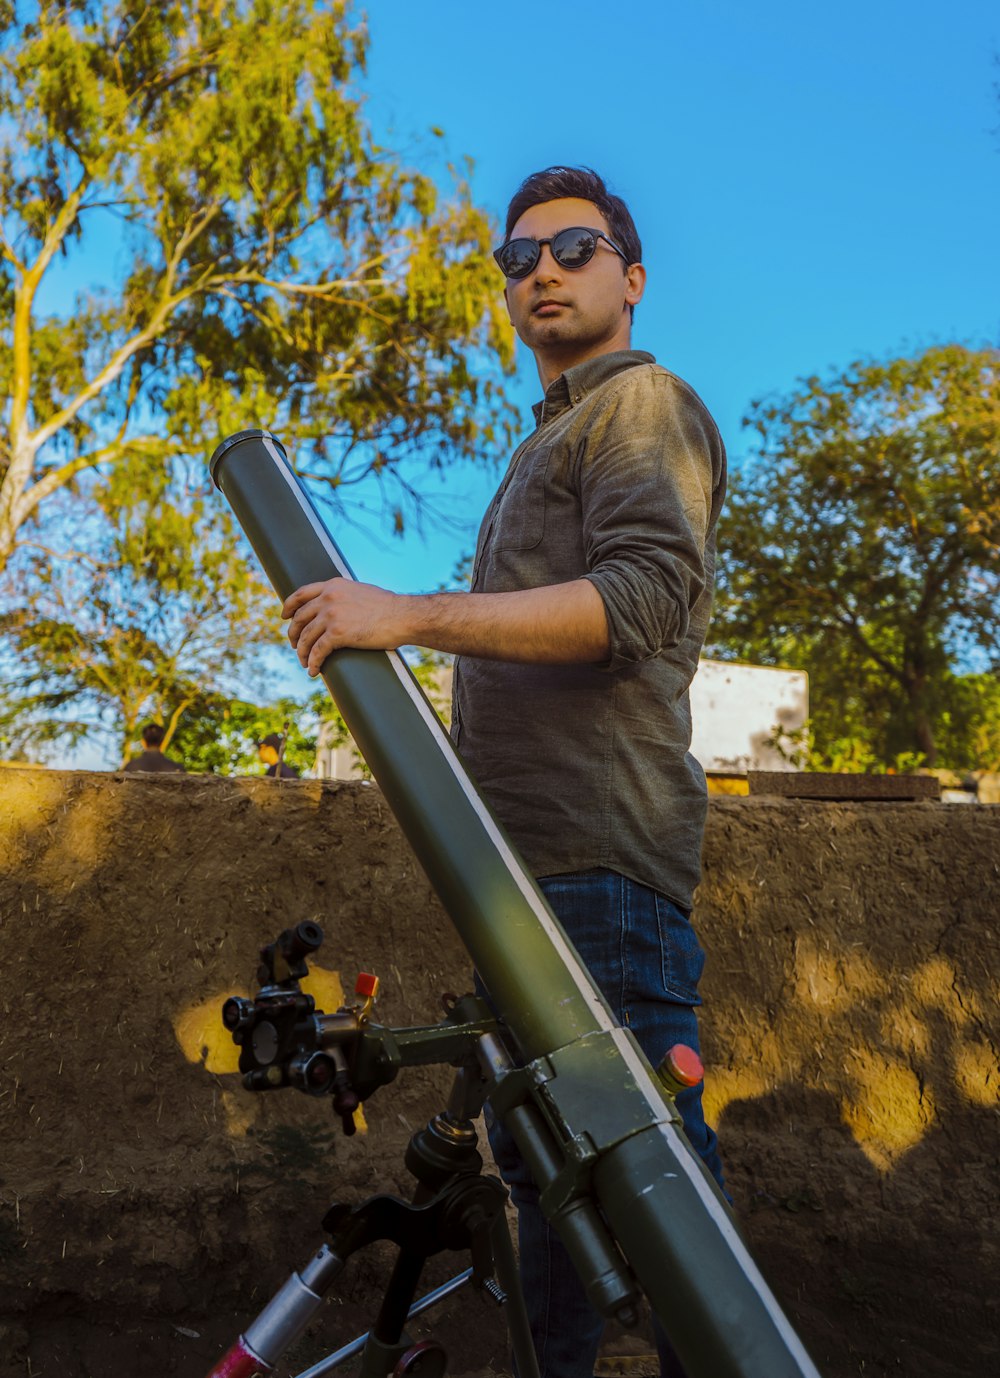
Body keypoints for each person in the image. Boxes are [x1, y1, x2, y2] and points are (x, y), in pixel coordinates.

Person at [282, 166, 727, 1378]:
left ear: (630, 278)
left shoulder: (639, 406)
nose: (539, 269)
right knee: (557, 1202)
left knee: (658, 1204)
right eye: (516, 257)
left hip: (598, 874)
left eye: (572, 248)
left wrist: (411, 615)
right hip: (532, 886)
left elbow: (638, 599)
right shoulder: (551, 440)